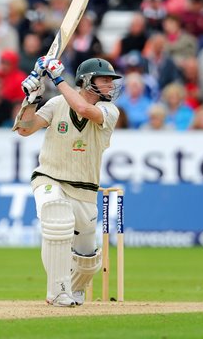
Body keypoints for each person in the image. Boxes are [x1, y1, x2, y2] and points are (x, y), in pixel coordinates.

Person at [13, 56, 122, 306]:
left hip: (85, 191)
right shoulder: (56, 103)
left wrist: (57, 78)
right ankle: (58, 291)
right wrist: (31, 97)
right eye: (104, 80)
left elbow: (84, 110)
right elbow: (25, 129)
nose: (110, 85)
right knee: (57, 219)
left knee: (88, 261)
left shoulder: (110, 111)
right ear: (86, 80)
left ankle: (73, 288)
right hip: (50, 177)